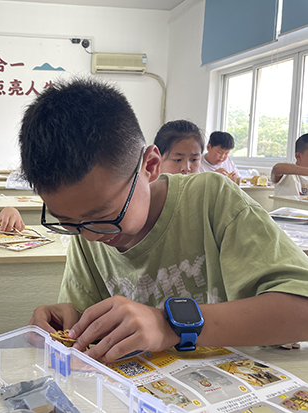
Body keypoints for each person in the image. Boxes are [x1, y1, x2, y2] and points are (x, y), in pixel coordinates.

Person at [18, 77, 308, 363]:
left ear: (151, 166)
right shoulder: (87, 232)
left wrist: (169, 324)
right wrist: (73, 320)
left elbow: (302, 310)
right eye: (67, 222)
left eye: (105, 216)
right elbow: (88, 317)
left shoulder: (212, 199)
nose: (91, 236)